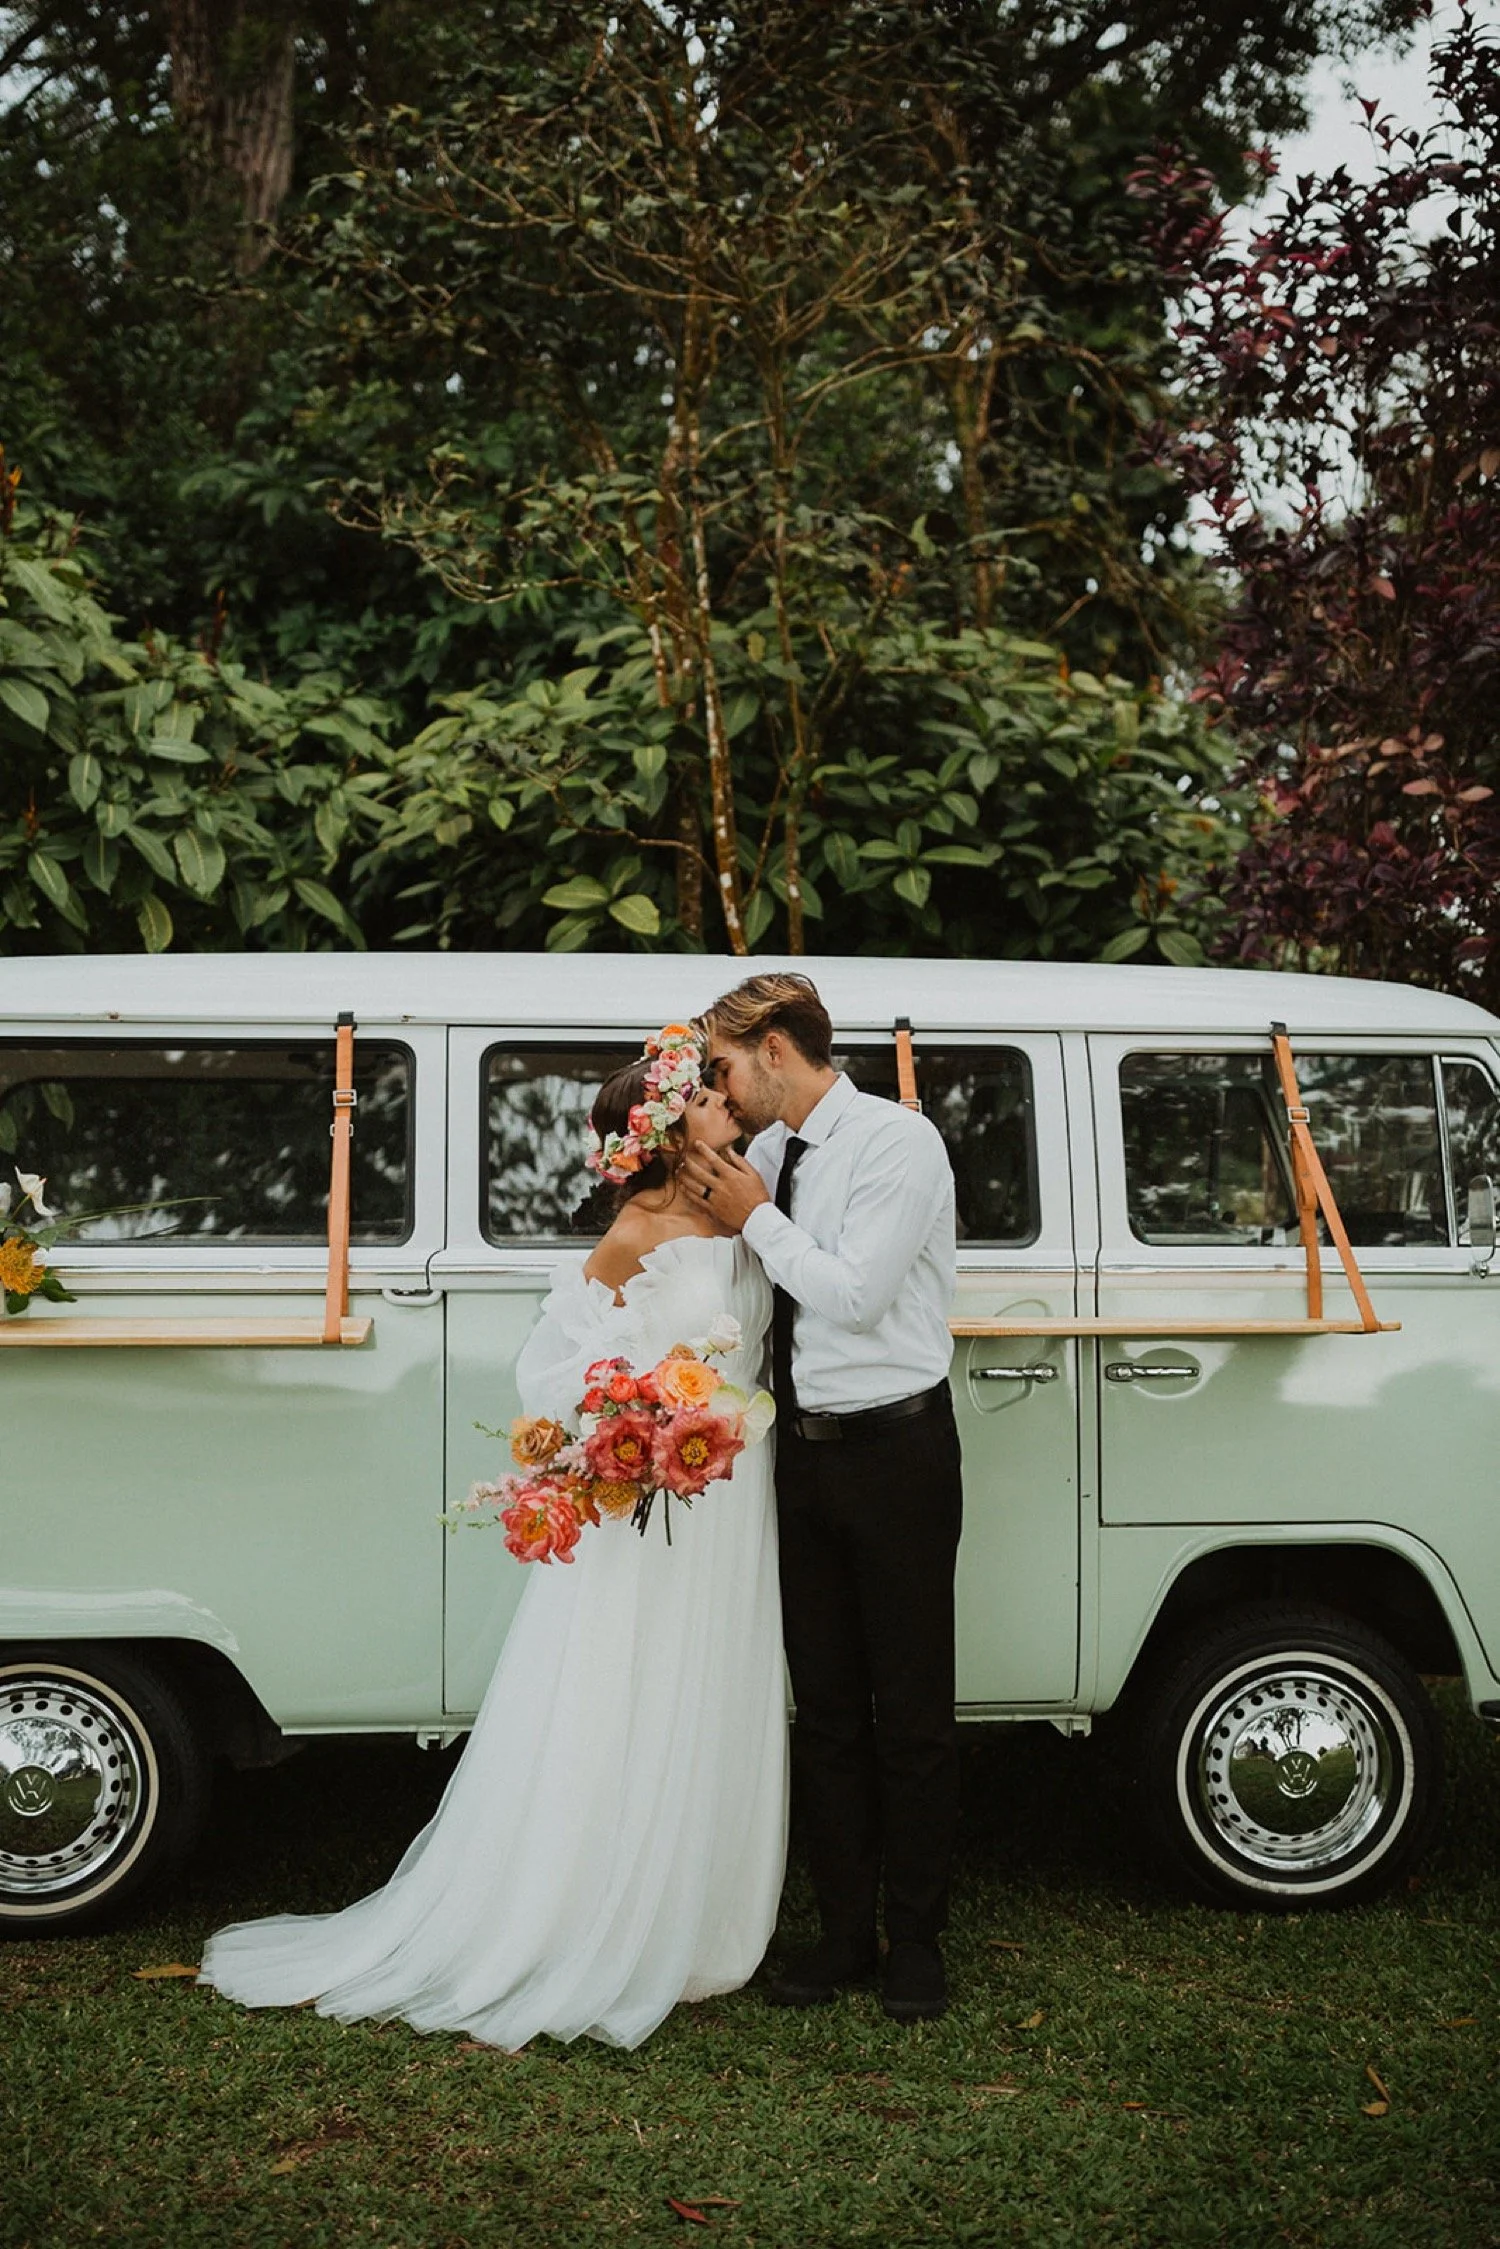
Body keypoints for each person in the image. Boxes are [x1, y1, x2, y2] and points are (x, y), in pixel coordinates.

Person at [198, 1029, 787, 2053]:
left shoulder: (746, 1205)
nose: (723, 1099)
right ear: (664, 1130)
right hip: (663, 1506)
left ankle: (701, 1914)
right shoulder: (633, 1236)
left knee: (716, 1681)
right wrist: (639, 1423)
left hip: (737, 1495)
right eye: (702, 1093)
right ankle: (601, 1911)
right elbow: (559, 1379)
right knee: (635, 1689)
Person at [683, 973, 961, 2024]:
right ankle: (844, 1931)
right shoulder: (764, 1153)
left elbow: (855, 1294)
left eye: (723, 1065)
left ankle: (917, 1942)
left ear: (776, 1047)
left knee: (912, 1710)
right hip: (797, 1459)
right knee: (830, 1710)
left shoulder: (898, 1142)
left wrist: (757, 1218)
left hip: (896, 1452)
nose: (722, 1085)